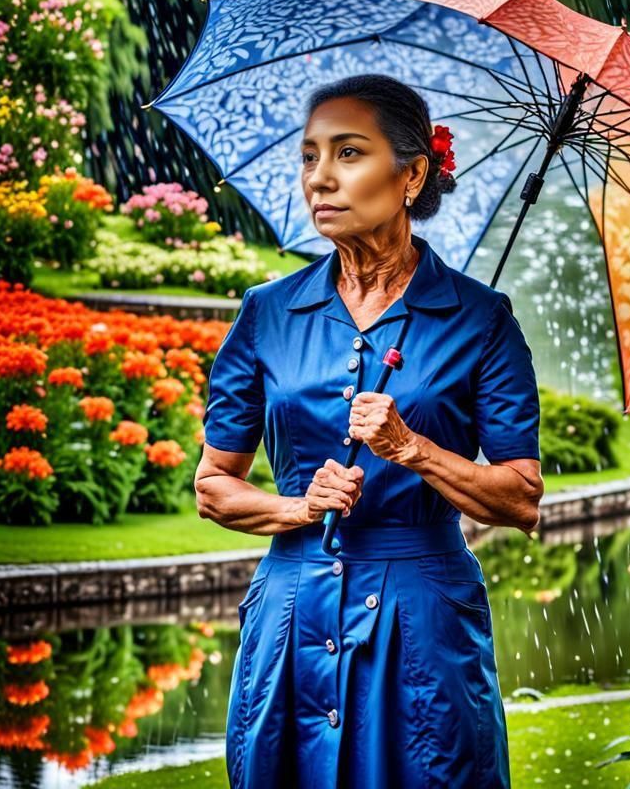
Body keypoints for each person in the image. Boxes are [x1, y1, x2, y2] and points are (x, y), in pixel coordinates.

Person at [194, 72, 544, 789]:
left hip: (423, 625)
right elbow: (213, 487)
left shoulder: (481, 320)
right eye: (308, 156)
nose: (320, 178)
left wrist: (412, 450)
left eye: (348, 154)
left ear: (412, 174)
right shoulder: (267, 313)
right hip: (289, 617)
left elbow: (520, 499)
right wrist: (300, 507)